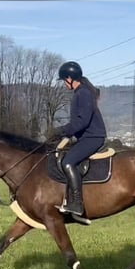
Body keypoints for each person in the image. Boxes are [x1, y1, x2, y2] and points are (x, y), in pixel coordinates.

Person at [49, 61, 107, 217]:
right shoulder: (80, 93)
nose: (63, 84)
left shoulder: (83, 93)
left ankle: (76, 204)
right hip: (85, 136)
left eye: (63, 80)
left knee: (68, 162)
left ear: (69, 78)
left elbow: (82, 122)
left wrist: (61, 130)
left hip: (93, 137)